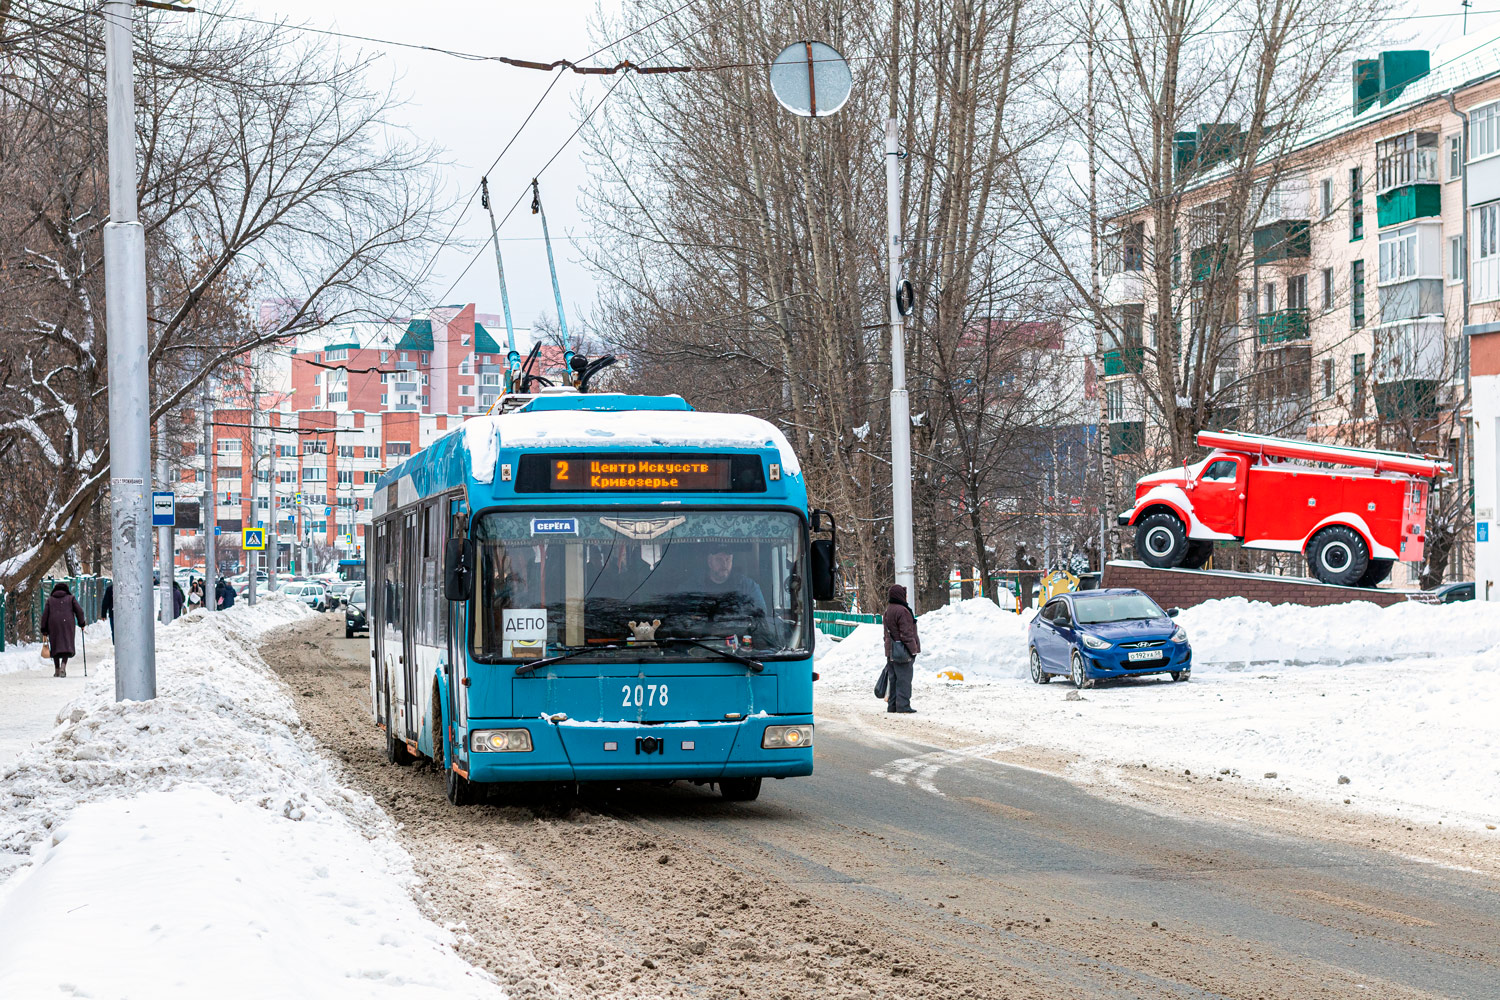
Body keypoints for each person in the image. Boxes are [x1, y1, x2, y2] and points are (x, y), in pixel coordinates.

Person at [694, 543, 768, 638]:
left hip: (740, 643)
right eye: (719, 559)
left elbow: (760, 618)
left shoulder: (749, 587)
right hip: (700, 643)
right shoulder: (692, 587)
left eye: (728, 559)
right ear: (709, 562)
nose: (724, 564)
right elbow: (683, 619)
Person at [882, 584, 920, 714]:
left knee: (893, 679)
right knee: (904, 679)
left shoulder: (888, 610)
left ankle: (892, 706)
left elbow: (886, 634)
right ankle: (903, 706)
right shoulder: (902, 611)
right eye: (904, 594)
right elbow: (906, 634)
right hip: (902, 651)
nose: (906, 596)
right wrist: (913, 649)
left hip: (891, 650)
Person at [40, 581, 86, 678]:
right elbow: (80, 611)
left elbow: (45, 615)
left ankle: (57, 669)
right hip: (67, 624)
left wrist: (44, 629)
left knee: (55, 645)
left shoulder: (50, 600)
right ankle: (63, 666)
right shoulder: (71, 598)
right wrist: (81, 623)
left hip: (53, 624)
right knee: (66, 645)